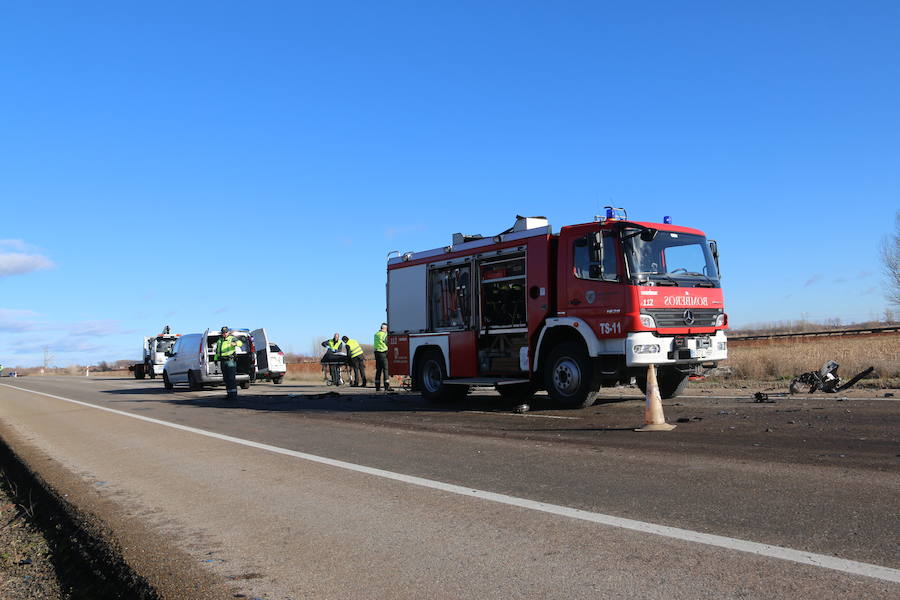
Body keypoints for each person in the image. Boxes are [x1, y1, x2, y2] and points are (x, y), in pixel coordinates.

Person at [214, 327, 243, 399]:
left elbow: (240, 343)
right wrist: (215, 359)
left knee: (231, 378)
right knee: (226, 378)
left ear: (228, 332)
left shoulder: (232, 338)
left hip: (230, 361)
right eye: (223, 332)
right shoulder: (219, 341)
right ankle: (229, 394)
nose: (224, 333)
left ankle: (233, 395)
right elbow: (217, 352)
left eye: (226, 332)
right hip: (223, 361)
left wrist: (235, 343)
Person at [373, 322, 392, 392]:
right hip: (383, 353)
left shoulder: (376, 334)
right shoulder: (385, 334)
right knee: (385, 370)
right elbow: (387, 343)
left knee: (378, 370)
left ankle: (377, 387)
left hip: (376, 353)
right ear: (385, 328)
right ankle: (386, 387)